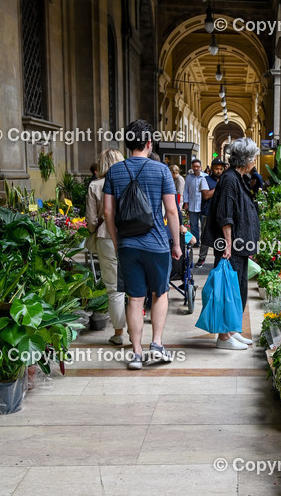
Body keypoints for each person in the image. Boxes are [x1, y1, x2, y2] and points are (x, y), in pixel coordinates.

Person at [103, 119, 181, 370]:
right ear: (149, 143)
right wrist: (176, 244)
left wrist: (117, 242)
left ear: (128, 144)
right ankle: (156, 345)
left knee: (134, 298)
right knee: (160, 293)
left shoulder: (114, 171)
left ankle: (136, 354)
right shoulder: (161, 171)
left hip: (127, 244)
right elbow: (171, 210)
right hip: (157, 243)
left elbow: (107, 212)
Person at [201, 137, 260, 350]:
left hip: (240, 245)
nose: (255, 161)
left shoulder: (239, 177)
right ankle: (223, 337)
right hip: (231, 246)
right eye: (253, 157)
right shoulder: (229, 179)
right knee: (229, 289)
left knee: (239, 287)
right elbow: (225, 214)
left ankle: (233, 330)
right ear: (246, 159)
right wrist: (227, 244)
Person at [85, 148, 126, 346]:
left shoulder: (95, 186)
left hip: (106, 238)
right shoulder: (129, 181)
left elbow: (91, 220)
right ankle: (137, 334)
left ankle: (119, 333)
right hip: (131, 237)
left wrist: (94, 227)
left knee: (114, 288)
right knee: (135, 286)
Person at [196, 157, 224, 267]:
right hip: (208, 213)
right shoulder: (205, 179)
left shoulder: (224, 180)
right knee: (205, 237)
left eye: (221, 169)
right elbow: (206, 195)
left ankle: (220, 258)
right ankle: (202, 258)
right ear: (212, 168)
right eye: (217, 169)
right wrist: (219, 186)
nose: (219, 171)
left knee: (220, 237)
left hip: (221, 213)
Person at [183, 158, 213, 245]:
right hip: (192, 205)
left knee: (204, 226)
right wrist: (186, 202)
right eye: (194, 166)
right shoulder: (189, 178)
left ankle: (204, 242)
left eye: (197, 166)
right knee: (194, 225)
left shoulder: (205, 177)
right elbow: (186, 191)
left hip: (203, 206)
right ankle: (196, 242)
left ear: (200, 167)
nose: (195, 168)